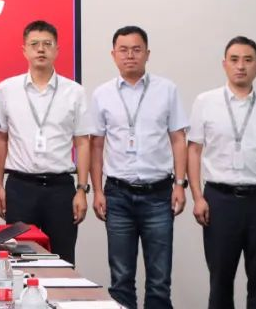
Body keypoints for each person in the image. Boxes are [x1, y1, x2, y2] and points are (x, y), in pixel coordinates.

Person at [188, 36, 256, 309]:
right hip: (219, 201)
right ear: (224, 64)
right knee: (220, 281)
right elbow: (194, 150)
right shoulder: (205, 101)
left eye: (248, 60)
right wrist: (197, 197)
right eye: (234, 60)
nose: (241, 66)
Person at [88, 26, 188, 309]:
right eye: (123, 50)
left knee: (159, 280)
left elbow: (178, 139)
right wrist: (97, 191)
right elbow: (96, 145)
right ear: (113, 55)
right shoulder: (102, 94)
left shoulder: (166, 90)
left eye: (136, 49)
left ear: (147, 53)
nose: (130, 55)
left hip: (158, 194)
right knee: (121, 279)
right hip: (117, 195)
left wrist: (180, 185)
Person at [0, 19, 90, 265]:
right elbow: (0, 140)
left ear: (57, 50)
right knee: (19, 261)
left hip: (61, 189)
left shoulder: (74, 92)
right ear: (24, 50)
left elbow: (82, 143)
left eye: (47, 44)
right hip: (20, 188)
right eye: (34, 44)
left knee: (63, 260)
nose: (41, 49)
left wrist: (81, 189)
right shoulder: (7, 89)